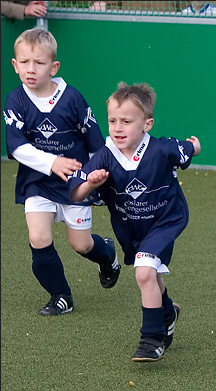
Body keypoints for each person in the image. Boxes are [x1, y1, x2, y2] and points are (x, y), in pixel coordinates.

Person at [68, 82, 199, 362]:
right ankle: (168, 313)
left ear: (147, 124)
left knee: (143, 272)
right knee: (150, 273)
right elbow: (76, 192)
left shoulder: (162, 149)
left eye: (126, 121)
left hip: (166, 220)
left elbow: (189, 148)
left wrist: (195, 145)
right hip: (131, 227)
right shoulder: (105, 154)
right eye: (112, 121)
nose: (118, 128)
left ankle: (152, 340)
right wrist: (90, 183)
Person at [4, 27, 120, 317]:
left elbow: (96, 144)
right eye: (25, 62)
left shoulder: (73, 99)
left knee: (81, 244)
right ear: (15, 65)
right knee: (38, 238)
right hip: (37, 182)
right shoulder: (15, 100)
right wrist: (52, 162)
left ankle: (107, 255)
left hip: (75, 183)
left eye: (39, 63)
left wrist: (100, 182)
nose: (31, 70)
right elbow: (16, 147)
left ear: (53, 67)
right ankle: (61, 296)